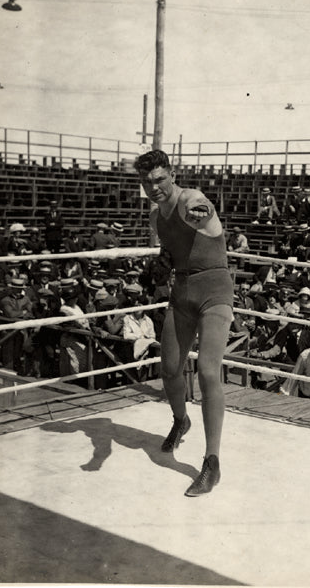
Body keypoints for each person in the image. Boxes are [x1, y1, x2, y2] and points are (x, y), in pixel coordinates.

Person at [134, 149, 234, 497]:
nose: (155, 187)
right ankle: (181, 419)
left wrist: (199, 211)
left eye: (160, 179)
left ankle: (212, 462)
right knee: (170, 369)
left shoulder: (190, 198)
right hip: (182, 292)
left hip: (214, 291)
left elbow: (200, 207)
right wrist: (158, 269)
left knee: (208, 372)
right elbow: (171, 249)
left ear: (172, 174)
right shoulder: (154, 217)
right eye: (147, 182)